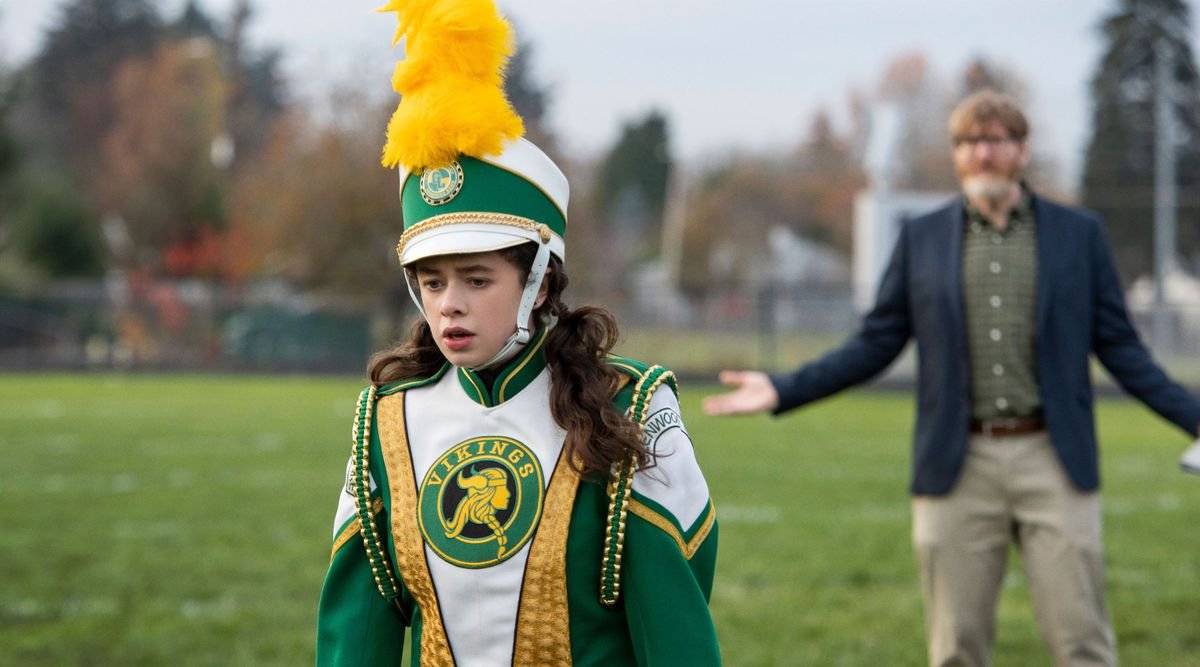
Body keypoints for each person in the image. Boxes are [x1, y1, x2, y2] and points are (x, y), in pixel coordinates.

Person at [703, 89, 1200, 667]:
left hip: (1054, 458)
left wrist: (1195, 417)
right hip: (956, 464)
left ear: (1022, 150)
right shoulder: (923, 238)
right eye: (966, 143)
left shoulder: (1078, 235)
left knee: (1084, 643)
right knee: (955, 650)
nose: (980, 154)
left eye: (993, 141)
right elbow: (876, 343)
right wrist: (785, 388)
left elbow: (1122, 349)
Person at [316, 1, 719, 664]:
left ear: (537, 279)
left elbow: (675, 632)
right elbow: (356, 631)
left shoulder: (633, 407)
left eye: (477, 280)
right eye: (433, 281)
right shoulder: (387, 422)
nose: (448, 305)